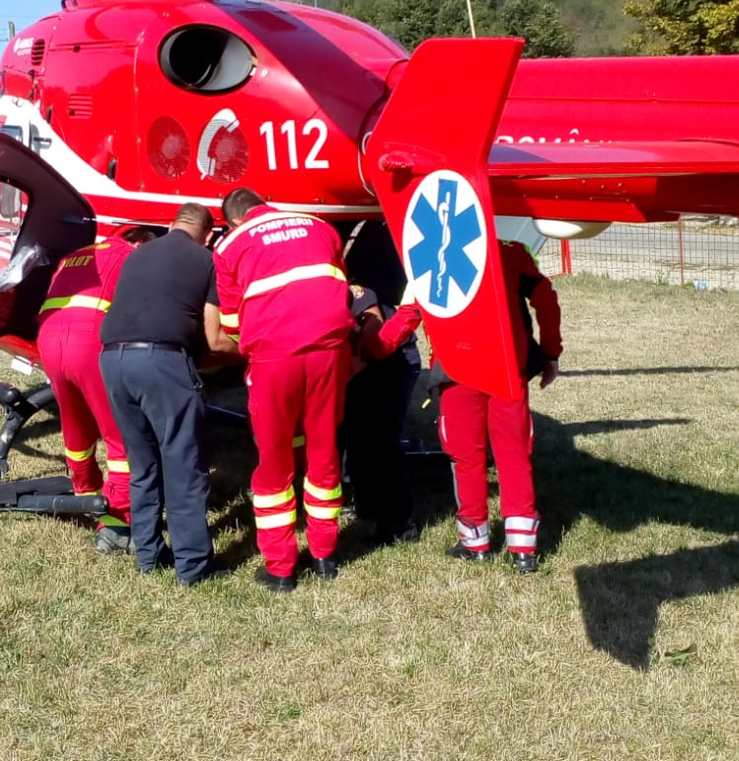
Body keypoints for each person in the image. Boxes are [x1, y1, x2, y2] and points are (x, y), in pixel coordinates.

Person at [216, 188, 354, 593]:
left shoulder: (230, 245)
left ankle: (281, 568)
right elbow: (340, 286)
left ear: (234, 219)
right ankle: (326, 554)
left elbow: (230, 322)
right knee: (324, 448)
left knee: (274, 459)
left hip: (275, 356)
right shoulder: (320, 226)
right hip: (331, 349)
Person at [99, 203, 236, 586]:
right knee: (184, 465)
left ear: (172, 225)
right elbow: (214, 337)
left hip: (112, 361)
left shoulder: (137, 253)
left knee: (142, 465)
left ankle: (148, 556)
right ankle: (192, 567)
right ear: (208, 233)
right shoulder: (206, 259)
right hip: (162, 362)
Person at [437, 239, 563, 574]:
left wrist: (373, 350)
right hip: (507, 368)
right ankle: (523, 550)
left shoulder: (430, 250)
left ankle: (474, 542)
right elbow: (546, 299)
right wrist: (550, 353)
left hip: (457, 368)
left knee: (467, 458)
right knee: (514, 455)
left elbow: (410, 310)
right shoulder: (512, 251)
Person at [37, 226, 158, 555]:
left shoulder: (75, 257)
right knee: (120, 433)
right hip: (88, 338)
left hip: (48, 336)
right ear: (137, 242)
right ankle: (116, 524)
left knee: (74, 426)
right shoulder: (128, 255)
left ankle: (85, 496)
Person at [342, 284, 423, 544]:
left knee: (381, 439)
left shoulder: (353, 284)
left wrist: (355, 365)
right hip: (364, 360)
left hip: (391, 355)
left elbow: (375, 325)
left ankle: (400, 524)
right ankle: (368, 509)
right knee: (354, 434)